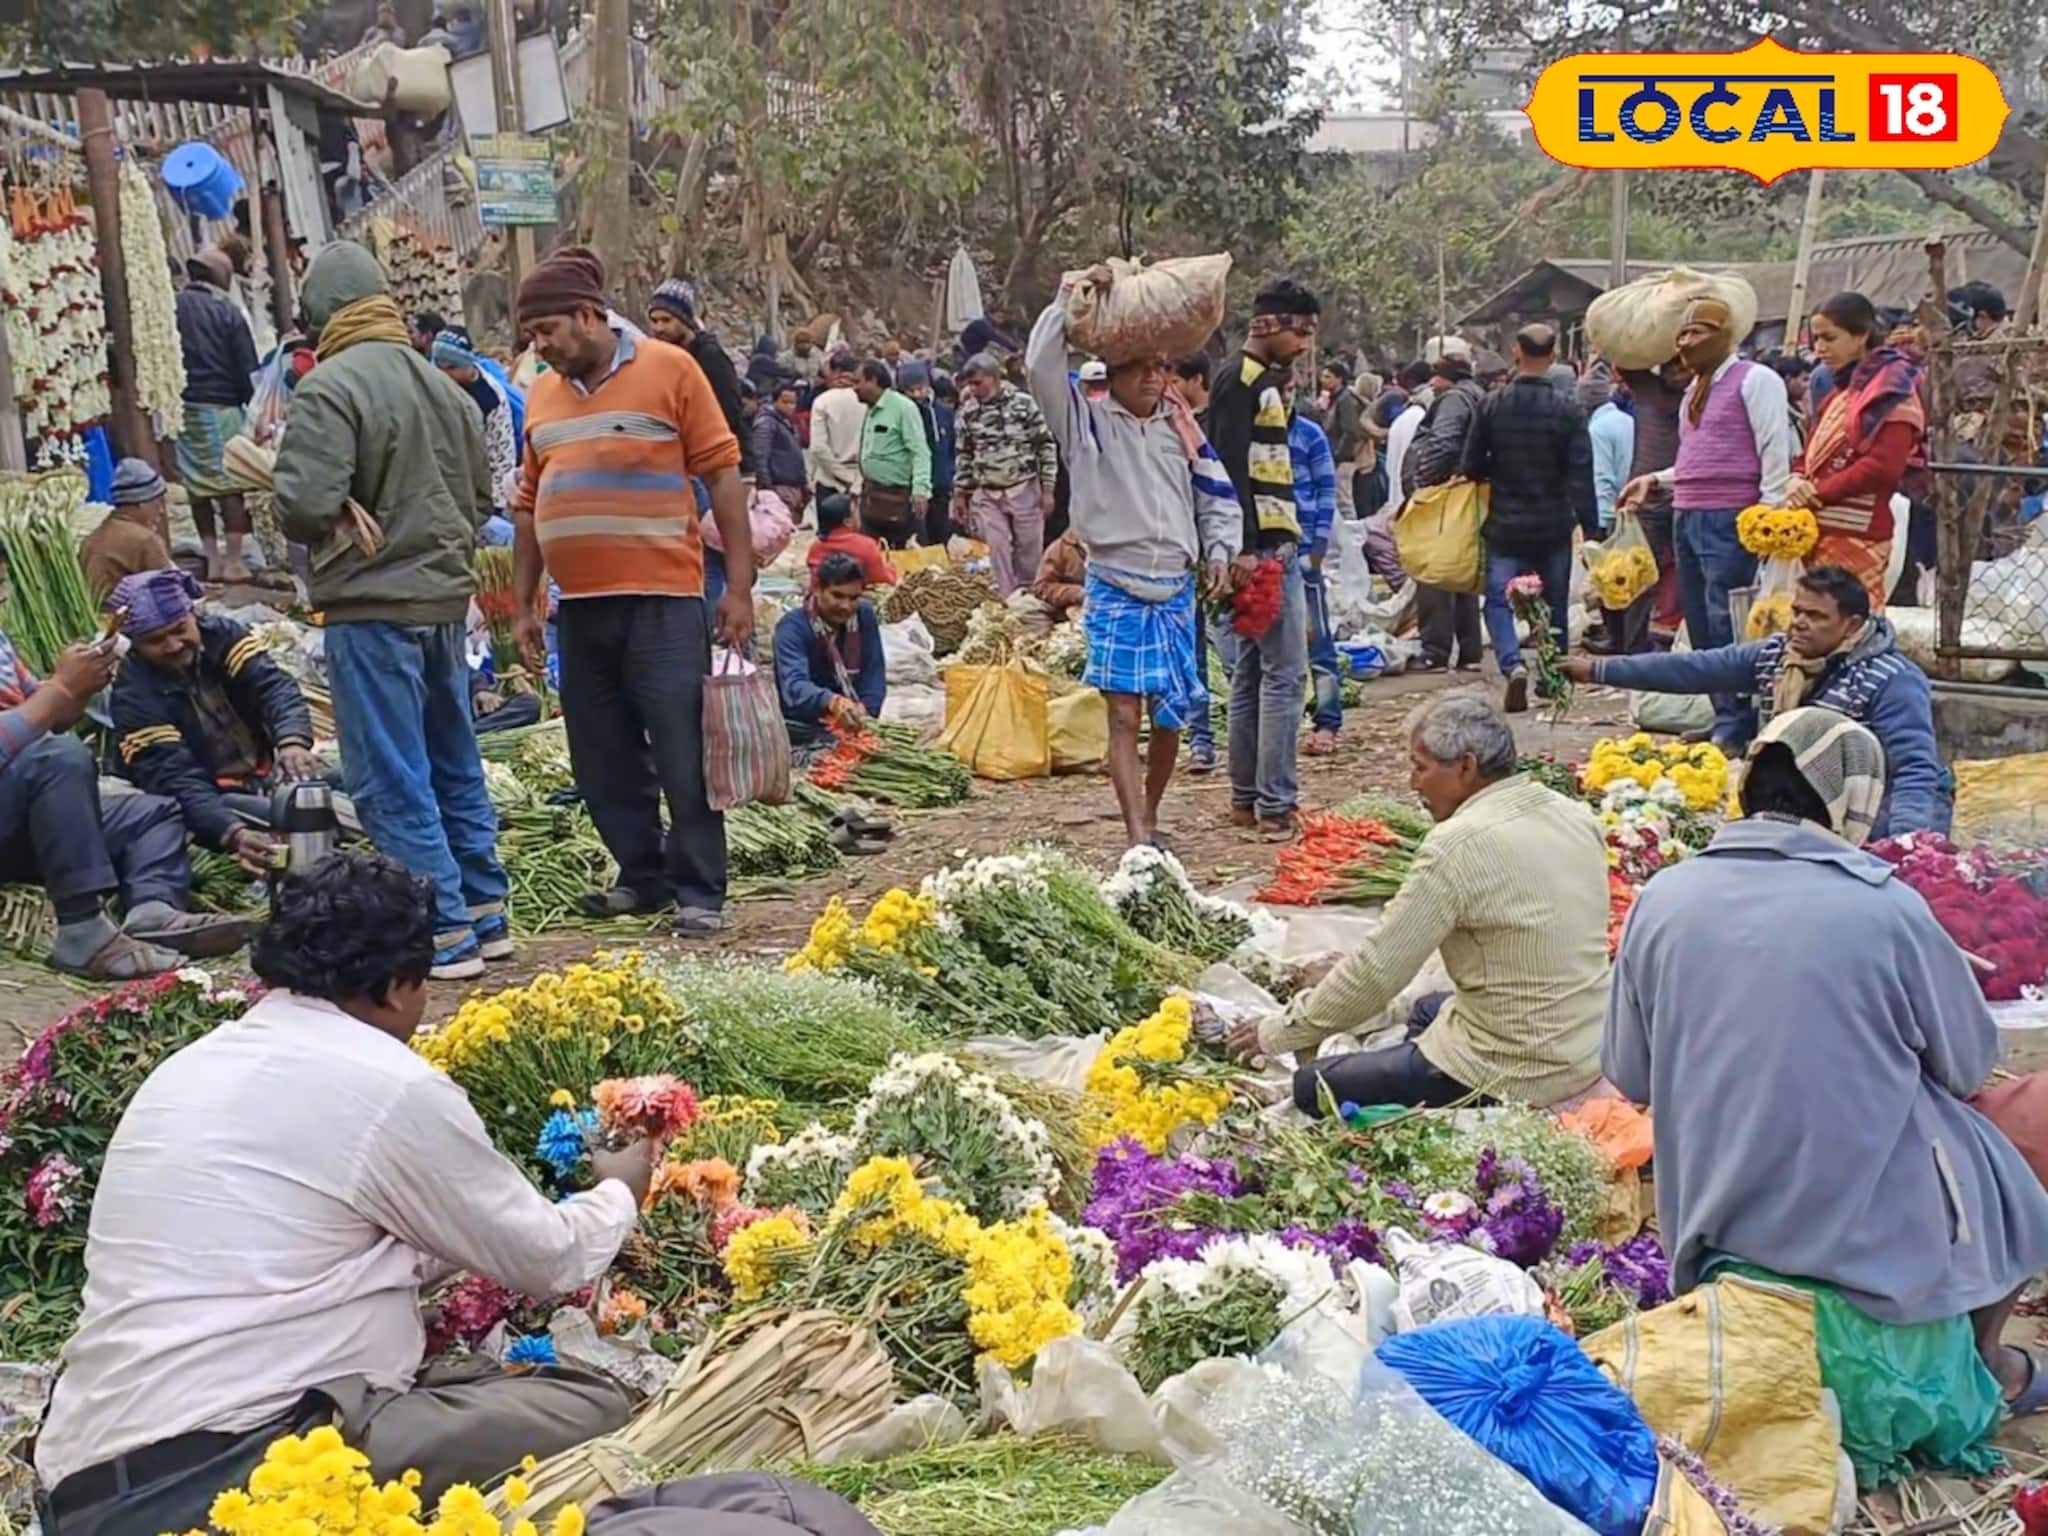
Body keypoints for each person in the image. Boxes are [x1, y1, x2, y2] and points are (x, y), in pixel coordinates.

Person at [33, 852, 653, 1535]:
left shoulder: (192, 1066)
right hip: (226, 1471)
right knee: (591, 1404)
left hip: (82, 1474)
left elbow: (312, 1247)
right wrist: (620, 1191)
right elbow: (553, 1260)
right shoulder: (388, 1084)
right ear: (395, 986)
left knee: (471, 1378)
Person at [1603, 707, 2048, 1480]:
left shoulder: (1663, 899)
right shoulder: (1883, 907)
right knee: (1989, 1148)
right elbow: (1969, 1065)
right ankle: (1989, 1366)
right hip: (1864, 1250)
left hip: (1711, 1230)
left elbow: (1632, 1075)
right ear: (1853, 802)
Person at [273, 240, 512, 981]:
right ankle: (486, 914)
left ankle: (442, 934)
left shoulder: (330, 386)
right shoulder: (442, 385)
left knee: (390, 775)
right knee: (453, 761)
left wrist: (334, 506)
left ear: (321, 315)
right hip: (444, 602)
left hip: (373, 606)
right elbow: (479, 500)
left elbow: (303, 503)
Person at [509, 245, 755, 940]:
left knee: (682, 750)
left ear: (589, 316)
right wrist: (524, 602)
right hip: (579, 607)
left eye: (548, 332)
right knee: (601, 753)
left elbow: (724, 475)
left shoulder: (670, 369)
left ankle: (700, 889)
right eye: (533, 336)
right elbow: (528, 503)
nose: (541, 347)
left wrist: (738, 586)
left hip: (664, 598)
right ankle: (640, 877)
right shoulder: (543, 394)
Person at [1230, 692, 1608, 1116]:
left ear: (1465, 767)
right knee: (1429, 1010)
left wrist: (1281, 1031)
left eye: (1419, 768)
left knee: (1312, 1086)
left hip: (1516, 1071)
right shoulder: (1573, 814)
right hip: (1588, 1045)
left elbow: (1377, 971)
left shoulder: (1457, 845)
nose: (1412, 784)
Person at [1027, 275, 1240, 849]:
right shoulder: (1086, 425)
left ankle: (1150, 808)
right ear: (1112, 371)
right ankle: (1137, 831)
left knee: (1169, 716)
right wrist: (1066, 299)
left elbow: (1214, 498)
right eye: (1139, 367)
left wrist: (1219, 552)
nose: (1153, 377)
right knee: (1123, 715)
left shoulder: (1181, 430)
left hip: (1174, 587)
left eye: (1160, 368)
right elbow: (1040, 368)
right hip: (1116, 584)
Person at [1564, 563, 1949, 838]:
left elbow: (1915, 771)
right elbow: (1693, 669)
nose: (1798, 622)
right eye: (1796, 611)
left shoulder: (1891, 679)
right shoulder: (1777, 655)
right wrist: (1597, 670)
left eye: (1815, 616)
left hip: (1876, 802)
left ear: (1852, 626)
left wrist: (1906, 846)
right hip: (1804, 797)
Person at [0, 569, 250, 981]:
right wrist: (60, 690)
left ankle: (152, 909)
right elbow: (46, 725)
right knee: (59, 758)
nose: (3, 598)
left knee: (153, 813)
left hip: (27, 815)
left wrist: (78, 687)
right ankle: (82, 933)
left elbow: (53, 719)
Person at [1619, 296, 1791, 747]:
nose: (1686, 342)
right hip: (1688, 514)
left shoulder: (1756, 381)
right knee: (1699, 624)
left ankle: (1739, 722)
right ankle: (1723, 715)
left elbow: (1775, 452)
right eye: (1682, 334)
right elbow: (1697, 463)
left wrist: (1768, 519)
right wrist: (1654, 481)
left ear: (1724, 334)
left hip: (1730, 518)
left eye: (1697, 332)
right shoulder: (1694, 392)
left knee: (1727, 622)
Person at [108, 568, 323, 873]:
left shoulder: (221, 635)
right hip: (213, 797)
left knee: (356, 782)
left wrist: (292, 741)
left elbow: (272, 686)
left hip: (264, 775)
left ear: (193, 615)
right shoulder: (133, 694)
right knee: (305, 815)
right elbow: (173, 777)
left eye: (179, 629)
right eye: (156, 640)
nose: (173, 645)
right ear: (136, 645)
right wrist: (232, 832)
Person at [1206, 277, 1320, 835]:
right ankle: (1275, 804)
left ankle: (1248, 798)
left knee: (1253, 672)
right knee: (1284, 675)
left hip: (1267, 543)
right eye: (1300, 333)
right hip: (1265, 548)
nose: (1303, 345)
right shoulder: (1239, 381)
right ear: (1269, 326)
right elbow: (1228, 469)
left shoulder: (1263, 381)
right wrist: (1245, 547)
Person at [1466, 322, 1596, 714]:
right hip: (1554, 523)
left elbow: (1470, 463)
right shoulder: (1569, 408)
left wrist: (1497, 468)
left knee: (1499, 600)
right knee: (1554, 601)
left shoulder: (1492, 404)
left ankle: (1512, 665)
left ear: (1516, 354)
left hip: (1505, 523)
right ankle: (1550, 675)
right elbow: (1581, 472)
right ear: (1554, 357)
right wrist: (1591, 528)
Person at [1786, 291, 1927, 614]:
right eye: (1815, 339)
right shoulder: (1841, 393)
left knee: (1849, 630)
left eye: (1829, 338)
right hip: (1815, 531)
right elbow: (1808, 454)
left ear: (1861, 335)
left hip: (1857, 533)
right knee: (1812, 630)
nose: (1818, 348)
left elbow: (1883, 467)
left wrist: (1816, 492)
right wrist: (1795, 480)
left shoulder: (1892, 392)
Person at [176, 247, 261, 583]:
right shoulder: (228, 312)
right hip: (222, 407)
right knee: (230, 485)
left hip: (184, 408)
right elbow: (247, 368)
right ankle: (235, 561)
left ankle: (211, 559)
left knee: (197, 489)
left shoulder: (172, 306)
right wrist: (253, 408)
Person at [1401, 353, 1485, 674]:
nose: (1432, 384)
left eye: (1436, 376)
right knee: (1458, 570)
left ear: (1448, 377)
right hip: (1461, 497)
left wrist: (1423, 482)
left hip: (1441, 499)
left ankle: (1435, 651)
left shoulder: (1453, 399)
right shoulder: (1476, 396)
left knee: (1432, 570)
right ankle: (1470, 652)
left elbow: (1444, 442)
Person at [953, 351, 1058, 596]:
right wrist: (960, 493)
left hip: (1023, 488)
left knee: (1029, 551)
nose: (974, 389)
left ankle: (1031, 600)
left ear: (994, 378)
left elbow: (1045, 444)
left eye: (978, 383)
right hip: (988, 492)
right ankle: (1006, 602)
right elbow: (964, 455)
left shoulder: (1023, 404)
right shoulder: (969, 413)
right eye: (970, 384)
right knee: (998, 548)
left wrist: (1049, 489)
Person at [1609, 358, 1689, 656]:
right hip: (1648, 499)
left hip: (1682, 496)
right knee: (1637, 578)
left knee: (1686, 576)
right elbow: (1624, 357)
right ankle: (1633, 648)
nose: (1679, 375)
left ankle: (1675, 643)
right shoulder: (1649, 391)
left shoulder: (1698, 396)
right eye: (1674, 369)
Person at [647, 279, 758, 483]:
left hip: (722, 466)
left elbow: (728, 412)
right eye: (654, 321)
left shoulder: (709, 356)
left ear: (685, 321)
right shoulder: (665, 357)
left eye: (666, 320)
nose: (659, 328)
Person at [774, 552, 886, 747]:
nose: (845, 606)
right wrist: (832, 702)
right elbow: (794, 686)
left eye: (853, 598)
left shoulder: (864, 615)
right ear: (818, 589)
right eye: (837, 595)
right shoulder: (793, 627)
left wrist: (866, 711)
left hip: (854, 720)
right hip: (804, 723)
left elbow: (873, 672)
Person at [1289, 389, 1343, 755]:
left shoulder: (1309, 435)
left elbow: (1327, 490)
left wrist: (1318, 546)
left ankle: (1327, 721)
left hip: (1305, 552)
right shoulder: (1247, 434)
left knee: (1317, 642)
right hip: (1264, 558)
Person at [432, 328, 521, 517]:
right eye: (438, 367)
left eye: (451, 368)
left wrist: (496, 505)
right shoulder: (433, 388)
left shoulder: (490, 396)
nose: (443, 375)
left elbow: (502, 454)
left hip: (482, 491)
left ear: (467, 365)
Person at [854, 360, 929, 549]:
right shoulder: (870, 409)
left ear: (873, 381)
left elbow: (919, 451)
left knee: (902, 557)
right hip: (872, 497)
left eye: (858, 382)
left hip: (897, 500)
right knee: (871, 555)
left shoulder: (903, 408)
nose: (855, 388)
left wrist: (921, 489)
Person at [79, 458, 173, 604]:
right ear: (141, 504)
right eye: (157, 503)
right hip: (130, 621)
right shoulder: (146, 541)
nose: (160, 511)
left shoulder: (91, 539)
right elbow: (171, 598)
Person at [1582, 365, 1635, 535]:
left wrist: (1602, 524)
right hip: (1632, 506)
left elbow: (1602, 477)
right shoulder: (1628, 420)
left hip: (1612, 514)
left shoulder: (1597, 430)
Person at [806, 491, 895, 588]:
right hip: (852, 597)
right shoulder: (866, 546)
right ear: (847, 522)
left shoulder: (816, 547)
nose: (858, 513)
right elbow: (884, 580)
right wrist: (891, 569)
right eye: (855, 511)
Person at [809, 350, 867, 498]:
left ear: (836, 371)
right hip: (864, 481)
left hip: (829, 482)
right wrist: (855, 480)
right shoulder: (869, 402)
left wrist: (844, 476)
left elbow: (818, 448)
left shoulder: (823, 401)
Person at [753, 379, 811, 517]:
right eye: (785, 402)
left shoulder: (788, 423)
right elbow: (760, 456)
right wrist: (768, 488)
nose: (790, 407)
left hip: (793, 486)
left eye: (793, 403)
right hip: (779, 486)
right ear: (774, 401)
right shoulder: (766, 423)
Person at [1322, 360, 1366, 520]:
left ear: (1339, 379)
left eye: (1328, 377)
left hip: (1343, 459)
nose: (1323, 380)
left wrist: (1339, 454)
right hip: (1337, 456)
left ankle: (1352, 537)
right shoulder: (1334, 399)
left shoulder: (1345, 400)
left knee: (1344, 502)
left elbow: (1350, 430)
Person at [1031, 527, 1088, 620]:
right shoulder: (1061, 548)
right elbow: (1041, 587)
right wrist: (1076, 594)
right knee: (1025, 609)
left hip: (1109, 607)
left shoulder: (1115, 546)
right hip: (1066, 607)